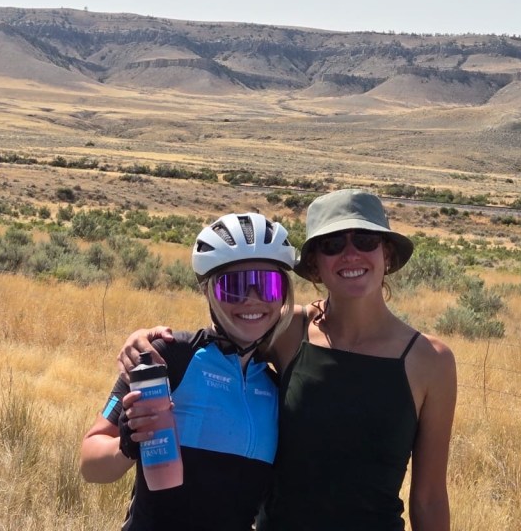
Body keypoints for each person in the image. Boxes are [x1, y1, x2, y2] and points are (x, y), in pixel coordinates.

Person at [119, 189, 457, 530]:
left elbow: (429, 498)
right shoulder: (289, 330)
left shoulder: (430, 361)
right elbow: (221, 334)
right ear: (314, 264)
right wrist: (146, 338)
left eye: (366, 240)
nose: (351, 254)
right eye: (332, 244)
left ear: (386, 252)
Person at [81, 212, 297, 531]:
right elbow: (90, 465)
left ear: (284, 293)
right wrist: (126, 446)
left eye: (268, 285)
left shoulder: (275, 386)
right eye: (234, 286)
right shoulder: (169, 356)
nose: (252, 300)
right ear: (207, 290)